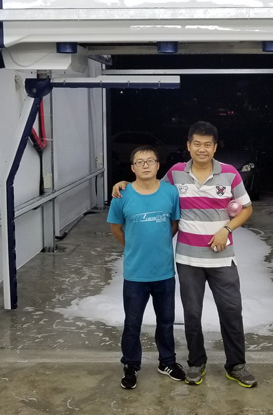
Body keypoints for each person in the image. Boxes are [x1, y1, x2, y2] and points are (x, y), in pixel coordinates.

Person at [112, 121, 257, 388]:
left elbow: (247, 208)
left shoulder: (230, 173)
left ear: (215, 147)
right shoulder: (176, 173)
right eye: (197, 144)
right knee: (192, 314)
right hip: (188, 259)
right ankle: (196, 363)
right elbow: (149, 184)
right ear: (188, 146)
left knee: (231, 310)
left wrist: (226, 229)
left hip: (222, 257)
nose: (202, 149)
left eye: (207, 145)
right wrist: (124, 184)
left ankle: (236, 365)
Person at [107, 145, 186, 389]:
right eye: (139, 162)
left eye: (150, 161)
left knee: (166, 321)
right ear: (132, 168)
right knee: (132, 323)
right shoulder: (122, 195)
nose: (145, 165)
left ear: (158, 165)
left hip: (164, 272)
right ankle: (131, 365)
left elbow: (174, 223)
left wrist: (159, 243)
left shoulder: (170, 192)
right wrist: (133, 245)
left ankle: (167, 362)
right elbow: (116, 228)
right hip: (135, 274)